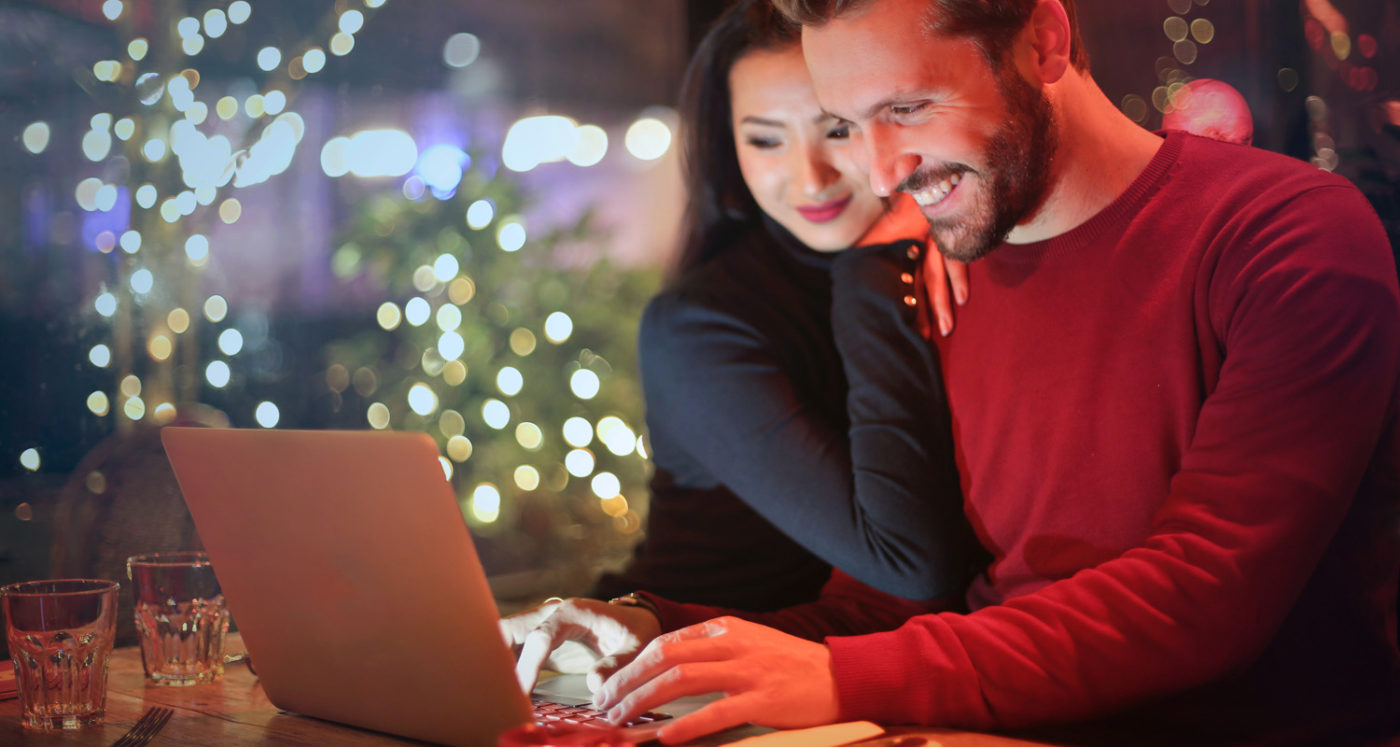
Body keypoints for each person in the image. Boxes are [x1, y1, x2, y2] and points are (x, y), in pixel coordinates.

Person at [509, 0, 1400, 743]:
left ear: (1045, 41)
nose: (879, 169)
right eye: (849, 124)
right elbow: (891, 610)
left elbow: (1207, 592)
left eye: (906, 108)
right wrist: (653, 633)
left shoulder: (1286, 236)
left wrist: (840, 675)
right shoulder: (939, 269)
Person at [503, 0, 986, 691]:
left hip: (815, 674)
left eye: (838, 130)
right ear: (729, 148)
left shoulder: (939, 262)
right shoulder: (700, 326)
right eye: (765, 140)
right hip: (653, 671)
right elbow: (911, 562)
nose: (811, 176)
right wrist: (877, 266)